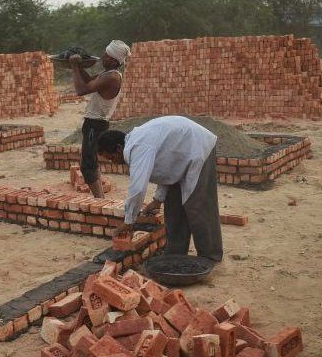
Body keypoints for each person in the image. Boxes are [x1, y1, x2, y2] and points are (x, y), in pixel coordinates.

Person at [97, 116, 222, 262]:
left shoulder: (138, 147)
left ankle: (210, 257)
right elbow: (166, 169)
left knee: (198, 206)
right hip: (181, 157)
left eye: (112, 158)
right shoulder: (140, 142)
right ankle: (175, 254)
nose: (115, 162)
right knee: (173, 206)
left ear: (119, 148)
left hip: (198, 148)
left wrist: (129, 221)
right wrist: (158, 200)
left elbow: (137, 188)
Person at [68, 40, 130, 198]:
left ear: (115, 60)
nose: (103, 58)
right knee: (91, 162)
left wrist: (74, 66)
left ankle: (99, 200)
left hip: (96, 124)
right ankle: (100, 199)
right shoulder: (107, 74)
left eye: (106, 56)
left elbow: (81, 90)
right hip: (94, 123)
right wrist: (80, 66)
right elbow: (89, 82)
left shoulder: (112, 77)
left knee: (88, 165)